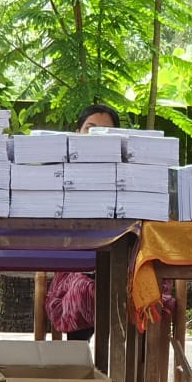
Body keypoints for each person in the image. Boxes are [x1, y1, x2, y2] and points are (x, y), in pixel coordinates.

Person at [44, 104, 121, 341]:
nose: (96, 136)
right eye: (91, 128)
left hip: (118, 262)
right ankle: (78, 369)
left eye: (106, 131)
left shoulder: (127, 176)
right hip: (73, 264)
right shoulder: (60, 172)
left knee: (139, 291)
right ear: (78, 132)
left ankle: (133, 371)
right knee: (83, 288)